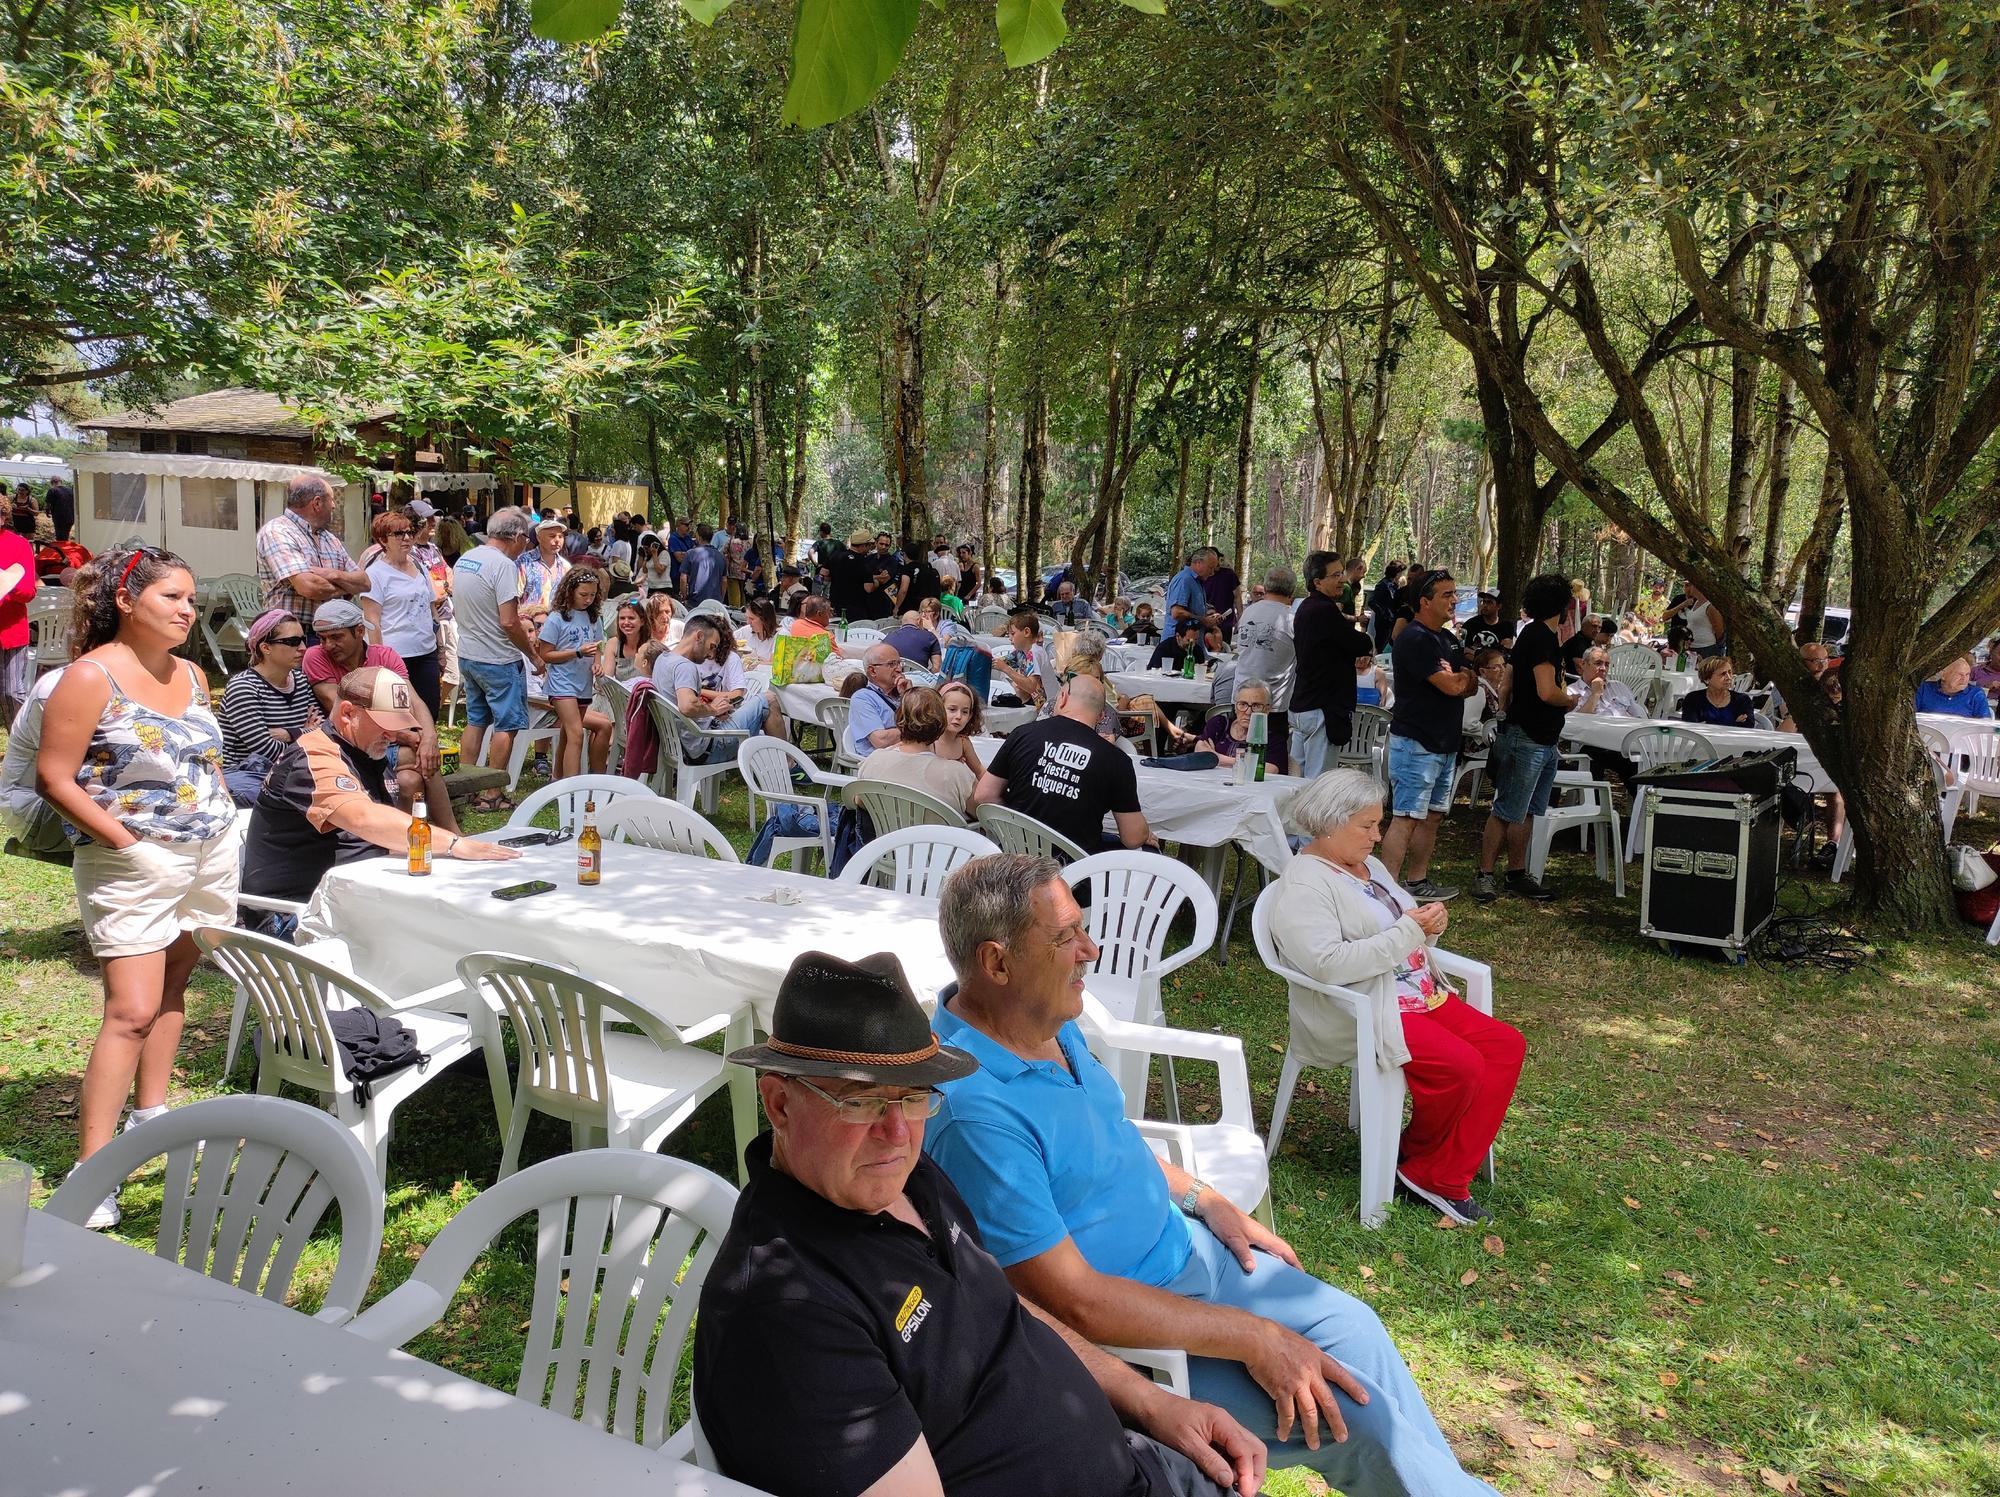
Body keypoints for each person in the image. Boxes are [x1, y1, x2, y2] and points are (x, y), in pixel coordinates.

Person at [928, 855, 1501, 1496]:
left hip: (1194, 1252)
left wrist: (1204, 1198)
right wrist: (1256, 1339)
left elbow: (1107, 1143)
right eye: (1065, 938)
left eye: (1081, 927)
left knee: (1357, 1330)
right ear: (997, 963)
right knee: (1354, 1419)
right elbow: (1073, 1302)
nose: (1090, 949)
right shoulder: (976, 1115)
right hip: (1144, 1333)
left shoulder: (1042, 1022)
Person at [696, 948, 1268, 1497]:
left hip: (1141, 1463)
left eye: (914, 1097)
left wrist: (1153, 1404)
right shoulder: (790, 1312)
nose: (897, 1134)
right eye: (861, 1101)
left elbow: (1004, 1307)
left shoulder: (909, 1179)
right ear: (778, 1103)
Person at [35, 545, 241, 1229]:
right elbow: (55, 778)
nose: (187, 609)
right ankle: (92, 1171)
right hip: (132, 862)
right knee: (130, 1007)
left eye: (190, 597)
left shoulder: (191, 672)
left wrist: (224, 826)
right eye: (170, 598)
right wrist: (131, 845)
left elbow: (202, 761)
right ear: (126, 599)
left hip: (208, 851)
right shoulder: (89, 677)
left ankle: (151, 1115)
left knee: (178, 979)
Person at [1269, 771, 1526, 1226]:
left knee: (1505, 1046)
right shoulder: (1305, 883)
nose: (1378, 835)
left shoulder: (1368, 865)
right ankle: (1435, 1174)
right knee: (1462, 1066)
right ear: (1329, 824)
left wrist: (1429, 922)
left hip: (1413, 993)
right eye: (1366, 826)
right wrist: (1411, 930)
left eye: (1378, 823)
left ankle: (1426, 1163)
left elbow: (1400, 918)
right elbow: (1328, 965)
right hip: (1361, 1005)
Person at [239, 667, 516, 926]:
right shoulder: (313, 757)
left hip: (352, 896)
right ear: (348, 713)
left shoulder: (367, 751)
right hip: (294, 914)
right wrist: (454, 844)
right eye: (384, 723)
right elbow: (364, 817)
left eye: (398, 724)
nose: (393, 734)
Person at [1473, 572, 1573, 904]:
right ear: (1563, 605)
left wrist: (1503, 713)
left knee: (1528, 809)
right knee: (1506, 809)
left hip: (1540, 737)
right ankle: (1485, 875)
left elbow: (1509, 681)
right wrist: (1570, 699)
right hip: (1529, 736)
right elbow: (1547, 691)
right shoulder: (1542, 638)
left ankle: (1516, 873)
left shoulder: (1533, 633)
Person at [971, 676, 1151, 853]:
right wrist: (1145, 833)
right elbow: (1133, 838)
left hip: (1018, 856)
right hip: (1075, 869)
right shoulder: (1117, 760)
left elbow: (984, 795)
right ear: (1102, 715)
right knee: (1149, 850)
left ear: (1062, 699)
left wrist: (1016, 820)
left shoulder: (1023, 735)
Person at [1381, 569, 1475, 901]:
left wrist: (1462, 676)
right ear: (1424, 601)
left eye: (1455, 594)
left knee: (1432, 816)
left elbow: (1469, 682)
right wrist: (1460, 679)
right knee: (1406, 817)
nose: (1454, 600)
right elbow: (1452, 685)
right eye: (1446, 594)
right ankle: (1388, 889)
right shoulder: (1415, 638)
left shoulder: (1448, 639)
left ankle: (1417, 882)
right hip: (1416, 742)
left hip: (1446, 741)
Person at [452, 505, 540, 813]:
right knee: (507, 725)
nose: (526, 545)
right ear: (516, 536)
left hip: (469, 654)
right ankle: (491, 793)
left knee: (476, 721)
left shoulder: (466, 560)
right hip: (498, 658)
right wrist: (532, 655)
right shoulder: (503, 566)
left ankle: (462, 787)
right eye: (526, 539)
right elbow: (509, 621)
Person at [217, 609, 320, 805]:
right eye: (292, 642)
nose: (303, 648)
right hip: (246, 773)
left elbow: (322, 733)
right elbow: (266, 750)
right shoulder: (244, 687)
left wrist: (288, 733)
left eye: (303, 639)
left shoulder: (300, 679)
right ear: (265, 647)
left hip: (290, 770)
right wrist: (303, 732)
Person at [651, 614, 780, 762]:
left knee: (755, 713)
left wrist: (710, 714)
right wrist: (713, 709)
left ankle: (770, 761)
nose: (711, 654)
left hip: (678, 747)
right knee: (769, 700)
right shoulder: (684, 666)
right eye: (711, 646)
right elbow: (687, 707)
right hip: (706, 747)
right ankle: (788, 764)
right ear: (699, 636)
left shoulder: (663, 659)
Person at [255, 473, 370, 637]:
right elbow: (309, 587)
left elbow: (364, 582)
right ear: (317, 503)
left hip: (331, 635)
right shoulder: (278, 531)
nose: (334, 506)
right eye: (331, 499)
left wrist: (332, 574)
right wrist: (345, 585)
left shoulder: (329, 539)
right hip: (293, 638)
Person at [361, 510, 442, 719]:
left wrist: (440, 648)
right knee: (400, 716)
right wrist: (379, 661)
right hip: (395, 655)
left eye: (409, 532)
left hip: (426, 653)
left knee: (429, 712)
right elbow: (372, 620)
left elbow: (431, 609)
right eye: (398, 534)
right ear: (382, 540)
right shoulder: (375, 573)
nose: (406, 538)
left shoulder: (420, 566)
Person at [538, 567, 612, 779]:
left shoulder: (593, 618)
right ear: (570, 591)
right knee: (576, 733)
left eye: (592, 595)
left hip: (583, 682)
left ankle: (558, 777)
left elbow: (597, 647)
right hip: (562, 683)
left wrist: (597, 663)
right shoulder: (557, 618)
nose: (588, 599)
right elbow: (546, 654)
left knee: (567, 733)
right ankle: (572, 788)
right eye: (583, 595)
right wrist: (577, 653)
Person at [855, 687, 978, 814]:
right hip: (936, 833)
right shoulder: (957, 774)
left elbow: (859, 801)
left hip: (885, 833)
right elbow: (980, 812)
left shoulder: (874, 761)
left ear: (898, 720)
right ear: (941, 725)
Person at [1232, 567, 1297, 772]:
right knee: (1270, 764)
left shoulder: (1250, 611)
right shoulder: (1291, 618)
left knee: (1238, 754)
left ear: (1266, 585)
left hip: (1240, 696)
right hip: (1272, 703)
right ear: (1292, 591)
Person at [1197, 679, 1287, 774]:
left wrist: (1218, 758)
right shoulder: (1219, 724)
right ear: (1235, 707)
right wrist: (1248, 764)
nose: (1248, 712)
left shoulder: (1273, 736)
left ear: (1267, 710)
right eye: (1243, 704)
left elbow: (1270, 769)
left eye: (1256, 706)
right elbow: (1199, 750)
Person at [0, 504, 37, 724]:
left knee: (12, 691)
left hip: (10, 630)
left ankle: (21, 740)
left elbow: (29, 593)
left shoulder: (18, 545)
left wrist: (9, 583)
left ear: (3, 517)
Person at [849, 643, 908, 759]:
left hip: (906, 754)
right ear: (872, 671)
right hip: (880, 761)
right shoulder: (862, 698)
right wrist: (917, 731)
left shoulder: (903, 692)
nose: (899, 669)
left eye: (899, 663)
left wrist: (909, 695)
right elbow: (881, 741)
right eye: (892, 664)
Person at [994, 609, 1058, 711]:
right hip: (1036, 706)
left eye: (1013, 633)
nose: (1010, 638)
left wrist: (1006, 669)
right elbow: (1000, 661)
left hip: (1048, 707)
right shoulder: (1021, 651)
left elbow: (1031, 686)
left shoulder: (1035, 652)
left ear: (1026, 632)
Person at [1678, 655, 1756, 727]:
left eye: (1730, 672)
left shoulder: (1742, 700)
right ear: (1707, 679)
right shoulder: (1693, 699)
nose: (1728, 677)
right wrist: (1734, 723)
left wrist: (1707, 724)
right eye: (1723, 674)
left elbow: (1748, 725)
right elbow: (1691, 727)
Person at [1568, 645, 1644, 719]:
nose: (1603, 668)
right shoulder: (1572, 692)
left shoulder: (1619, 687)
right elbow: (1577, 723)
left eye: (1607, 664)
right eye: (1598, 663)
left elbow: (1640, 716)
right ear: (1583, 664)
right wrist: (1595, 694)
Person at [1766, 639, 1833, 722]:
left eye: (1826, 660)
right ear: (1801, 661)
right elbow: (1788, 717)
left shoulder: (1829, 683)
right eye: (1816, 661)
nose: (1822, 666)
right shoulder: (1788, 683)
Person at [936, 679, 988, 782]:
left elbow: (980, 771)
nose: (959, 716)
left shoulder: (963, 742)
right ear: (937, 709)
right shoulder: (929, 741)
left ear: (970, 716)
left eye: (965, 712)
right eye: (952, 709)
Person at [517, 515, 571, 612]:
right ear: (539, 538)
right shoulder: (524, 562)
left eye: (561, 536)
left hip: (556, 624)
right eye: (552, 536)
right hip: (528, 623)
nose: (557, 540)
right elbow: (514, 597)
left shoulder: (565, 566)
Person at [1915, 655, 1994, 718]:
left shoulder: (1976, 694)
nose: (1964, 679)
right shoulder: (1924, 689)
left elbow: (1985, 725)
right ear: (1943, 675)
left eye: (1967, 674)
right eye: (1959, 674)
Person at [1666, 580, 1725, 659]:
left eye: (1690, 585)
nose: (1689, 589)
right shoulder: (1696, 602)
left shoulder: (1710, 605)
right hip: (1691, 646)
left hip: (1706, 647)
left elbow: (1718, 628)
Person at [1165, 547, 1218, 630]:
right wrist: (1203, 620)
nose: (1212, 573)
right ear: (1198, 563)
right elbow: (1177, 613)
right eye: (1210, 568)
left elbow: (1193, 610)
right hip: (1178, 640)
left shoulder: (1197, 581)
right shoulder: (1185, 579)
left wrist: (1210, 617)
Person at [604, 598, 648, 680]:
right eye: (622, 618)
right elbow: (607, 679)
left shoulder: (651, 645)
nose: (626, 622)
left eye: (631, 618)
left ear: (642, 621)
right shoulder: (613, 644)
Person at [1367, 561, 1406, 651]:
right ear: (1397, 573)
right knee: (1381, 646)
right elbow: (1372, 602)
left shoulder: (1393, 585)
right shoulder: (1383, 585)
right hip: (1383, 623)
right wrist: (1386, 615)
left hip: (1389, 623)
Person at [1460, 591, 1514, 656]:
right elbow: (1464, 650)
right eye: (1484, 602)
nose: (1485, 605)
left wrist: (1476, 653)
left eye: (1489, 602)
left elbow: (1504, 653)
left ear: (1499, 606)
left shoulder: (1507, 626)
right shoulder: (1471, 624)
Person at [739, 597, 781, 670]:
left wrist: (755, 662)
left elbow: (775, 665)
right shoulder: (747, 630)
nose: (748, 622)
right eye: (747, 618)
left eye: (752, 619)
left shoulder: (780, 635)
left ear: (764, 619)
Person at [45, 475, 74, 543]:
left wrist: (47, 512)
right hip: (70, 517)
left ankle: (62, 551)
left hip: (59, 518)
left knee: (60, 537)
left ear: (51, 482)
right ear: (61, 481)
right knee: (66, 535)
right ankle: (65, 547)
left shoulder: (52, 490)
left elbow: (48, 505)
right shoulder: (70, 490)